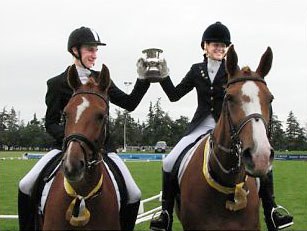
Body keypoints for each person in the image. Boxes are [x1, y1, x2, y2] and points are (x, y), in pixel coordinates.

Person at [149, 22, 293, 231]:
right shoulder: (196, 70)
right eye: (215, 44)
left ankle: (271, 210)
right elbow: (174, 95)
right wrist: (162, 75)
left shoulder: (232, 72)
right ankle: (165, 214)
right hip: (201, 124)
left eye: (223, 45)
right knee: (170, 161)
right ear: (204, 46)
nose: (219, 48)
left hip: (228, 125)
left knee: (260, 159)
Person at [18, 26, 151, 231]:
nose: (94, 55)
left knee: (133, 193)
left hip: (104, 149)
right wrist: (74, 139)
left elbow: (129, 103)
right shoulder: (56, 83)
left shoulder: (102, 80)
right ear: (75, 50)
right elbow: (51, 122)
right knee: (26, 185)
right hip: (65, 147)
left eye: (96, 50)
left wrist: (144, 79)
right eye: (90, 49)